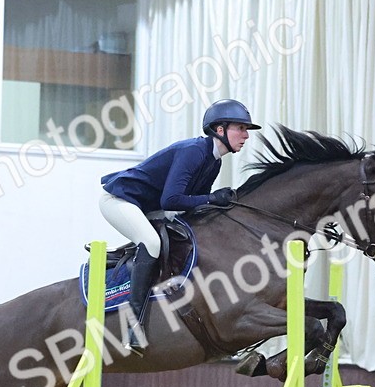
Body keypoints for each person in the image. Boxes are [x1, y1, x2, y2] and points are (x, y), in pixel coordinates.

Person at [99, 99, 261, 355]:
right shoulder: (194, 151)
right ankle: (133, 327)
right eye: (241, 128)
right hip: (121, 201)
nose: (246, 135)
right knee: (151, 243)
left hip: (149, 207)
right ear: (220, 129)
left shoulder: (214, 161)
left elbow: (191, 206)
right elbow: (171, 200)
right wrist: (211, 198)